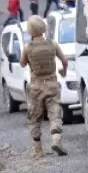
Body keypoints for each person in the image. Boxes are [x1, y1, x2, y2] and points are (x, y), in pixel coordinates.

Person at [21, 15, 68, 158]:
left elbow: (22, 63)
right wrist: (63, 71)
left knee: (34, 116)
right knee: (55, 113)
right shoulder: (52, 44)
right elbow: (64, 60)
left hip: (36, 86)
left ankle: (37, 150)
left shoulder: (28, 47)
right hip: (52, 83)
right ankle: (56, 140)